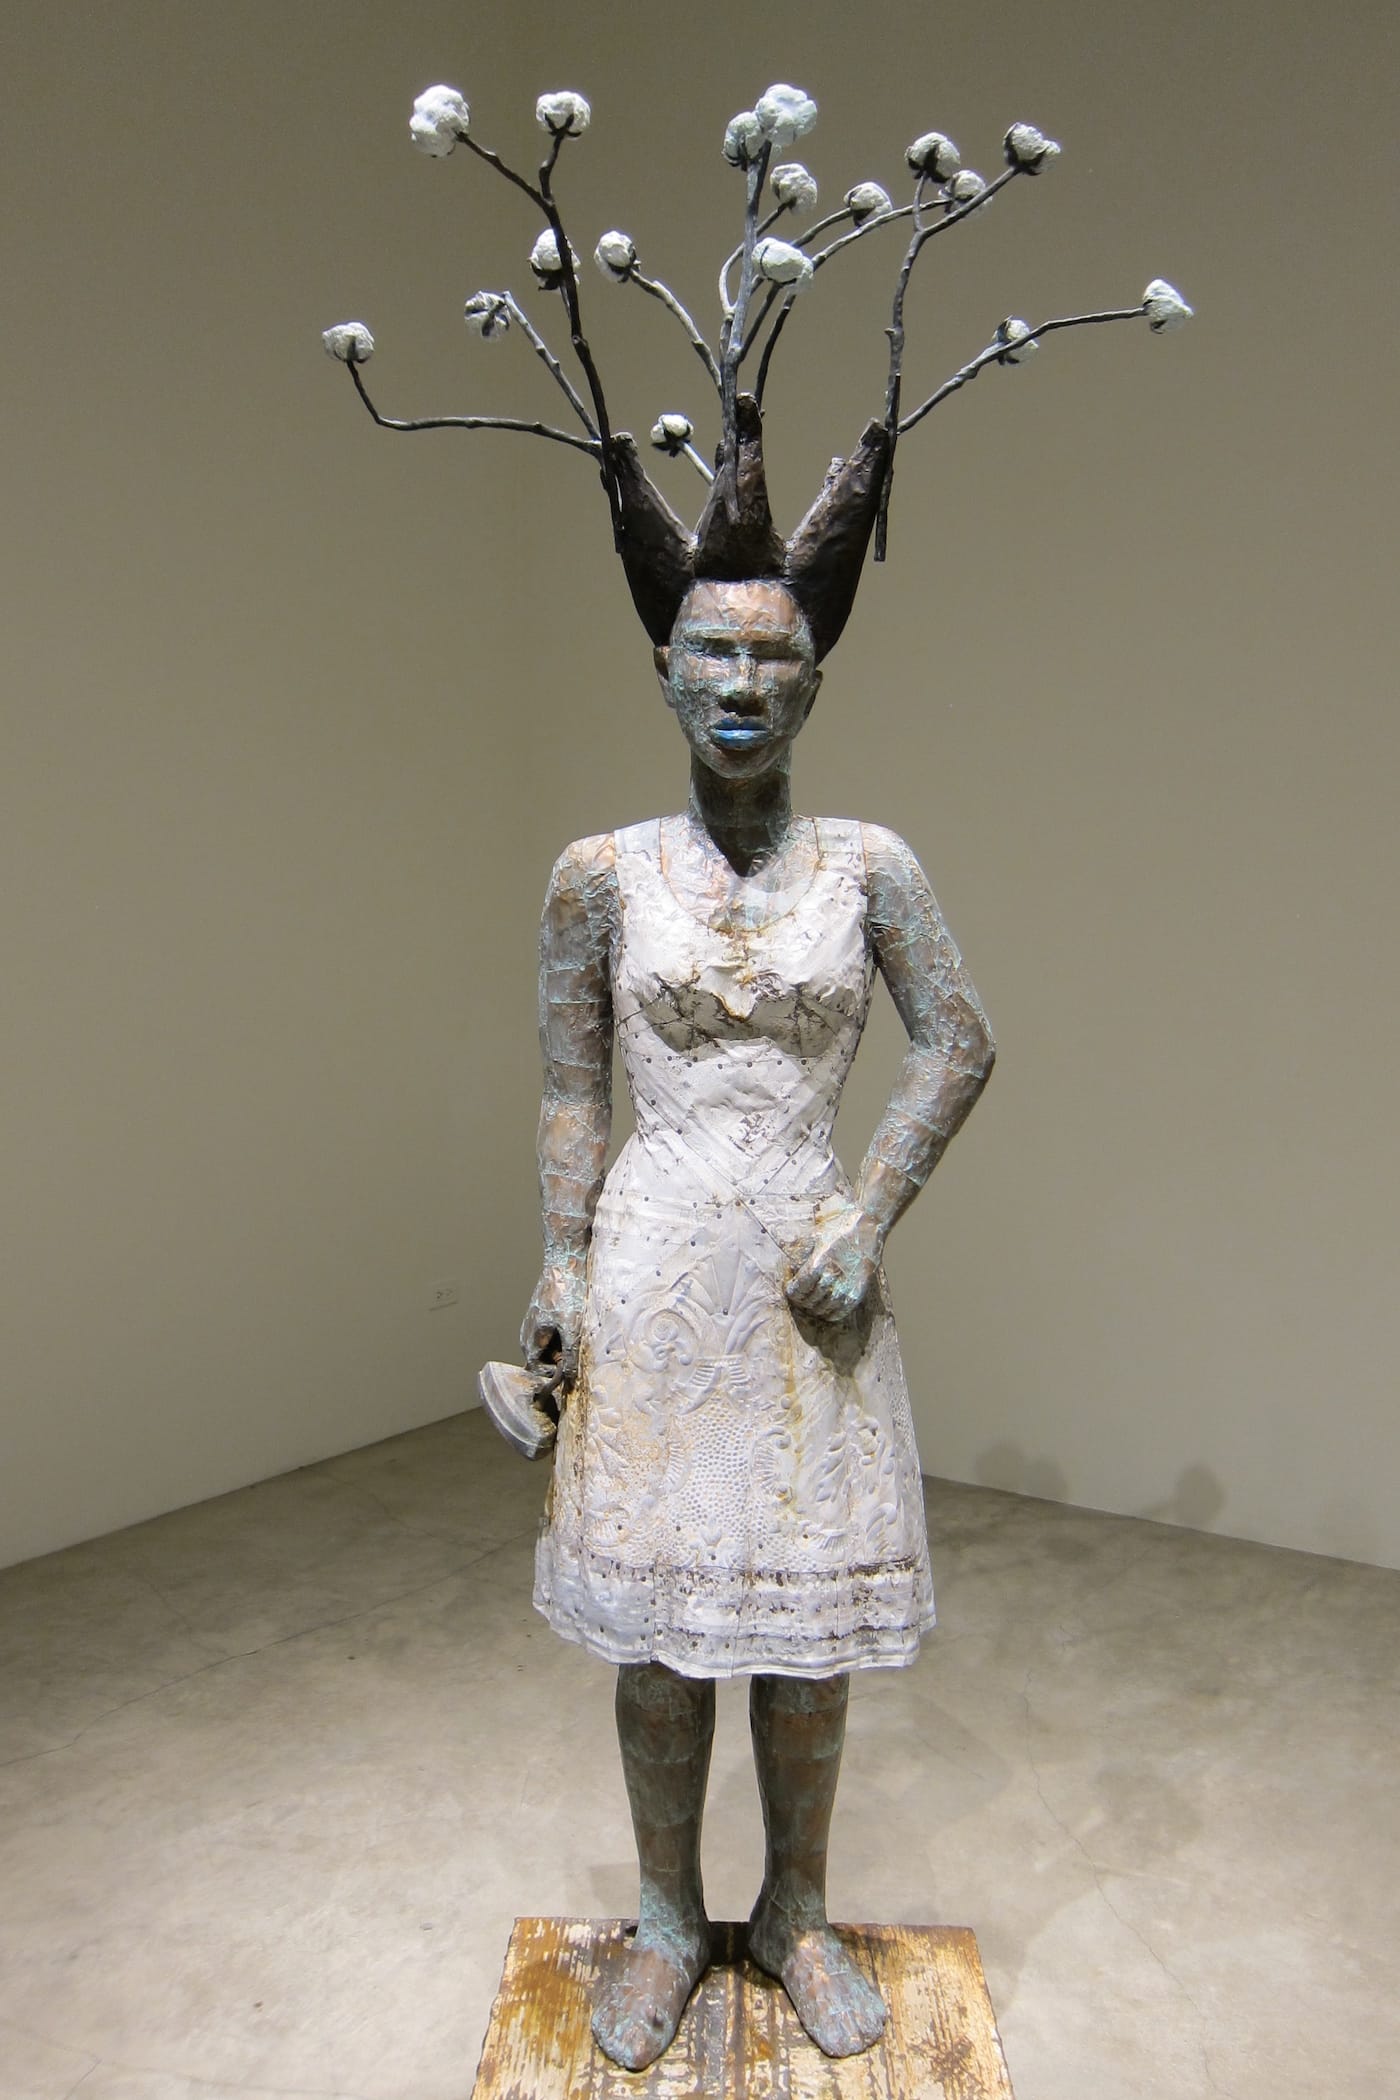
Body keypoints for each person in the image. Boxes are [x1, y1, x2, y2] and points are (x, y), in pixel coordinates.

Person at [521, 562, 995, 2069]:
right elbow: (573, 1088)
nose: (740, 684)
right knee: (659, 1637)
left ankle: (796, 1910)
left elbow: (958, 1040)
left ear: (814, 684)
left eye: (771, 659)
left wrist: (868, 1212)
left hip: (807, 1279)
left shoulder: (869, 866)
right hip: (651, 1272)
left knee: (808, 1632)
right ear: (665, 672)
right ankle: (668, 1918)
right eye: (712, 653)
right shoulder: (600, 874)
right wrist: (558, 1262)